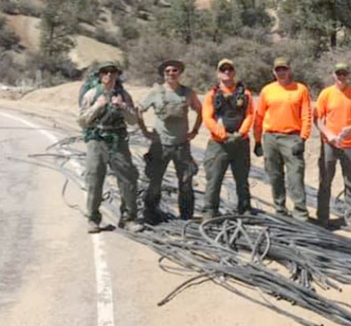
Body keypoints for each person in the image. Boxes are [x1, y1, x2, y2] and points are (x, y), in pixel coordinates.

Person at [78, 61, 143, 233]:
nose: (109, 75)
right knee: (94, 179)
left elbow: (133, 120)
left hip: (118, 140)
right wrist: (97, 106)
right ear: (100, 75)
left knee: (128, 178)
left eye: (112, 72)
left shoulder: (124, 95)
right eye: (105, 72)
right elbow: (82, 121)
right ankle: (93, 218)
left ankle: (128, 218)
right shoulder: (92, 95)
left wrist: (122, 106)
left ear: (117, 75)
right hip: (97, 140)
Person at [136, 59, 201, 222]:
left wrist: (195, 131)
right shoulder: (155, 92)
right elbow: (139, 110)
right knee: (154, 182)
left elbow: (201, 111)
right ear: (163, 74)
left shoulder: (188, 93)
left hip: (181, 146)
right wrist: (145, 131)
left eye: (174, 71)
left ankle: (186, 217)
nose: (171, 74)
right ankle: (151, 215)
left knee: (186, 183)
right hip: (160, 145)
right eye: (168, 71)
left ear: (180, 73)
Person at [253, 57, 312, 221]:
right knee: (274, 174)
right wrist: (257, 140)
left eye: (284, 69)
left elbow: (306, 115)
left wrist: (303, 138)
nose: (281, 73)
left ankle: (300, 212)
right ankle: (280, 209)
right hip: (270, 138)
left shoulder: (300, 89)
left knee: (295, 175)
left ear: (289, 70)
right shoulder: (267, 90)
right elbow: (259, 117)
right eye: (278, 70)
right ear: (274, 72)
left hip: (292, 138)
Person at [314, 63, 351, 229]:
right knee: (325, 180)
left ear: (348, 75)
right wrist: (329, 135)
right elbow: (317, 118)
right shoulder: (326, 94)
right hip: (329, 144)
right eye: (339, 74)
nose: (341, 77)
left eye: (344, 74)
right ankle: (322, 217)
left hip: (349, 144)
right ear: (334, 75)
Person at [202, 58, 254, 217]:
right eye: (223, 70)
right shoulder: (211, 94)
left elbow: (250, 115)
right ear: (218, 73)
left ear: (234, 72)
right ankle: (210, 211)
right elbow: (207, 118)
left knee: (242, 179)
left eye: (230, 69)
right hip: (219, 144)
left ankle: (244, 209)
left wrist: (240, 133)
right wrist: (223, 134)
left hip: (240, 143)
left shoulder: (245, 94)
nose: (227, 73)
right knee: (214, 178)